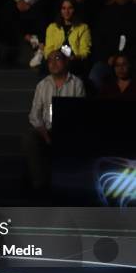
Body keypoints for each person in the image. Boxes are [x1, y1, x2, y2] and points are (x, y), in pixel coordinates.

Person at [23, 50, 85, 191]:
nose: (53, 63)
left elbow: (80, 113)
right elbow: (34, 115)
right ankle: (40, 185)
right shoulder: (42, 85)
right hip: (46, 130)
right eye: (50, 60)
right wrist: (44, 134)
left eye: (57, 58)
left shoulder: (77, 84)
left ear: (66, 61)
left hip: (68, 130)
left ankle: (69, 186)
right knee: (29, 137)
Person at [89, 0, 136, 90]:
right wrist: (107, 57)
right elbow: (98, 39)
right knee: (94, 76)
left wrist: (127, 59)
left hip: (131, 60)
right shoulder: (105, 13)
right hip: (108, 60)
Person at [3, 0, 51, 65]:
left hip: (36, 0)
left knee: (42, 10)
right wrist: (19, 0)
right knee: (7, 11)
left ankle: (41, 47)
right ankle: (30, 39)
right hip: (18, 0)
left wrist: (31, 2)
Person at [40, 0, 91, 72]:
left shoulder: (83, 27)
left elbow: (84, 51)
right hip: (56, 58)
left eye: (70, 8)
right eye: (64, 8)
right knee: (45, 66)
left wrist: (75, 57)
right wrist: (56, 57)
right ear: (60, 10)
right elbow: (48, 49)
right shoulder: (52, 27)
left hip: (73, 60)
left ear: (74, 9)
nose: (66, 11)